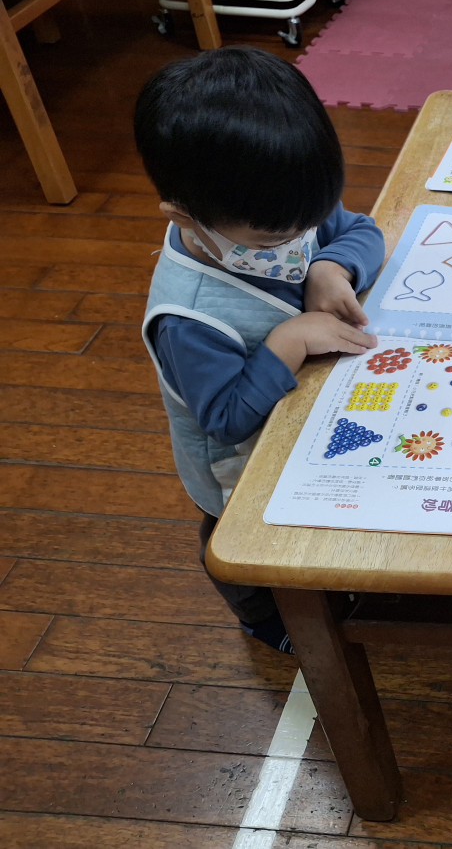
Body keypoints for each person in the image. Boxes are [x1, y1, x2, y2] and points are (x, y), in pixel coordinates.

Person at [134, 47, 384, 653]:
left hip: (301, 428)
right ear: (184, 216)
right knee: (240, 547)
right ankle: (263, 620)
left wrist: (330, 266)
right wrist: (289, 340)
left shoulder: (283, 205)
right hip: (237, 469)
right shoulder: (189, 317)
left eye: (308, 225)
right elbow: (225, 419)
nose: (296, 241)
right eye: (276, 238)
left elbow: (363, 230)